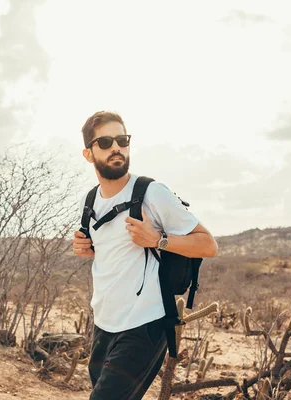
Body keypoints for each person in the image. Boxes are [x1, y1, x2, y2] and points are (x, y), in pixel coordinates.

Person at [72, 111, 218, 399]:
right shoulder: (88, 200)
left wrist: (158, 240)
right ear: (88, 154)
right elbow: (109, 253)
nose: (116, 147)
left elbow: (208, 244)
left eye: (122, 140)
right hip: (104, 323)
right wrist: (85, 249)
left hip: (144, 325)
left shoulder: (152, 193)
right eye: (105, 142)